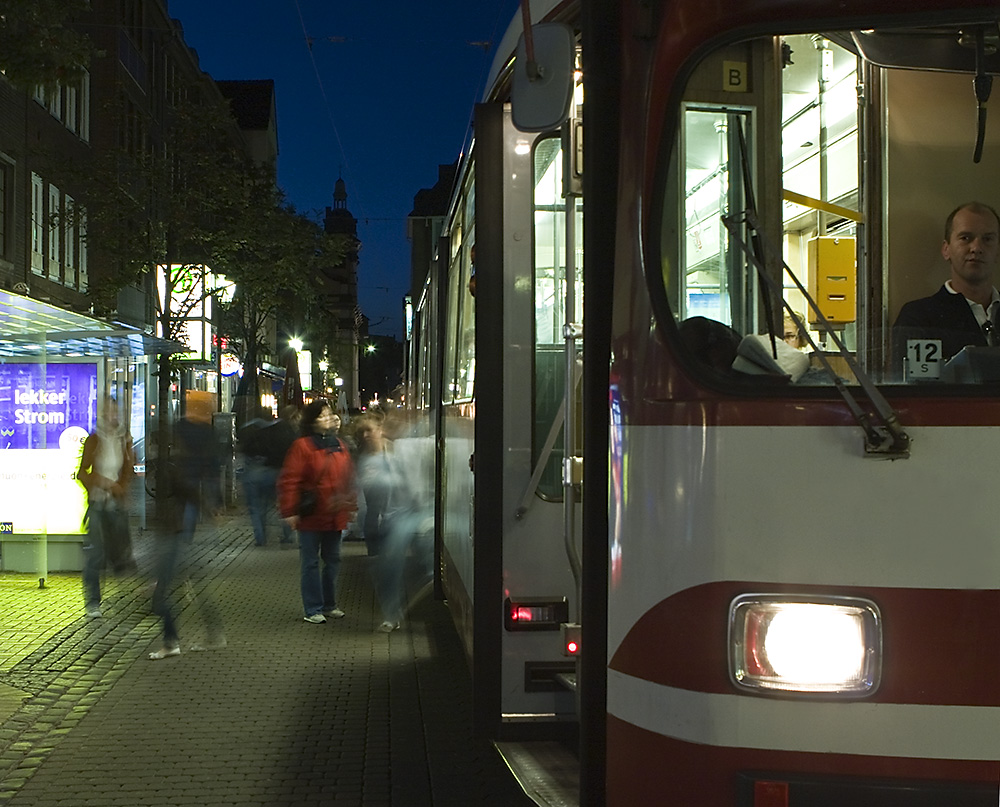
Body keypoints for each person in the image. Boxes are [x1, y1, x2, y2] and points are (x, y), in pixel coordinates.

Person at [148, 397, 225, 659]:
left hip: (174, 532)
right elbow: (193, 491)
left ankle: (172, 642)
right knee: (191, 581)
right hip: (175, 531)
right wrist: (210, 507)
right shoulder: (177, 463)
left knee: (162, 595)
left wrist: (209, 507)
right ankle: (208, 635)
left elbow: (188, 491)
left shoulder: (172, 466)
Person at [277, 399, 355, 624]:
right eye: (321, 415)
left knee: (333, 560)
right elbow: (290, 479)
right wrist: (290, 511)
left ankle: (329, 604)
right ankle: (313, 608)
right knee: (310, 562)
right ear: (311, 422)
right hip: (311, 513)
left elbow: (348, 477)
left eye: (329, 414)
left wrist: (350, 505)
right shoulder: (302, 446)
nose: (327, 418)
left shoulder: (339, 444)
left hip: (335, 513)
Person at [893, 201, 1000, 364]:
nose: (976, 248)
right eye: (965, 238)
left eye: (987, 239)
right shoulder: (918, 318)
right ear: (946, 249)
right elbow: (911, 387)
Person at [77, 395, 135, 619]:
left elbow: (128, 470)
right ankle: (92, 601)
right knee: (95, 553)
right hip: (98, 502)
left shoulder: (124, 440)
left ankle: (125, 590)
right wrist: (102, 483)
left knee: (120, 552)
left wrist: (120, 487)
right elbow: (82, 472)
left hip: (115, 504)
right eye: (107, 412)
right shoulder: (94, 439)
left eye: (114, 411)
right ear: (101, 414)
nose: (112, 416)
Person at [239, 405, 298, 547]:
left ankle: (260, 538)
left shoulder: (256, 429)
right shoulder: (288, 431)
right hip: (281, 472)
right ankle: (287, 535)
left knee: (257, 507)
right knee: (283, 504)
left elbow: (248, 449)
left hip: (261, 471)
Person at [353, 414, 391, 557]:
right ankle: (374, 552)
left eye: (369, 430)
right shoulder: (363, 455)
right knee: (372, 518)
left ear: (380, 429)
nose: (365, 435)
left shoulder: (391, 448)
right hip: (375, 506)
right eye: (363, 432)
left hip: (392, 508)